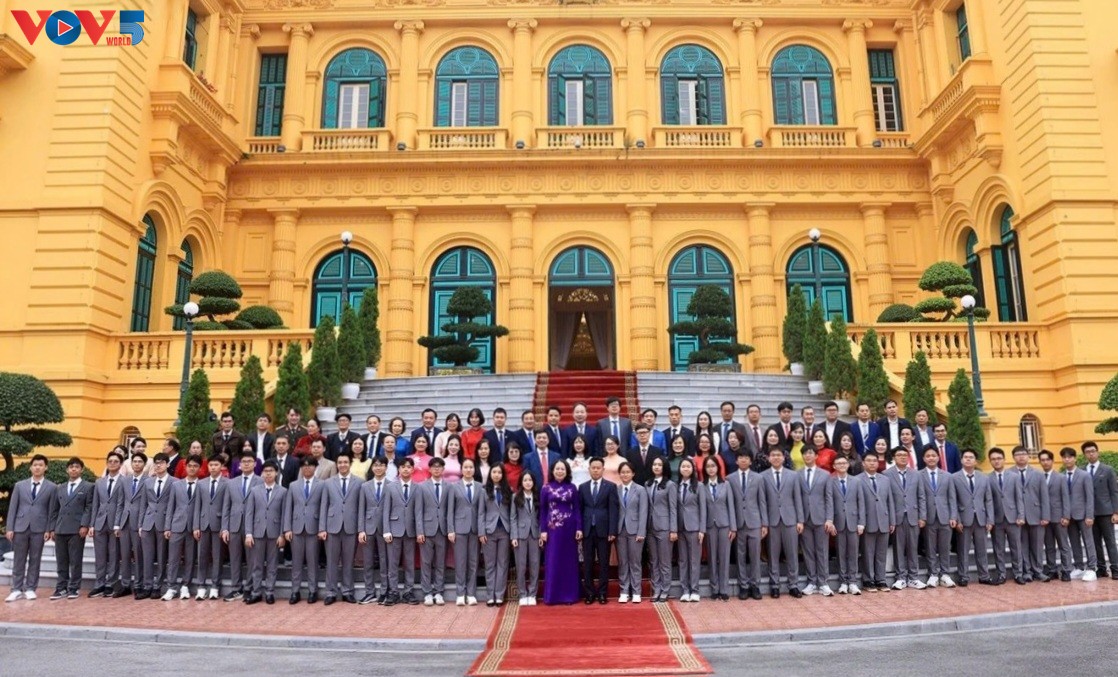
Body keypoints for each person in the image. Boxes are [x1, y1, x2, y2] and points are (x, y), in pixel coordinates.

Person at [4, 454, 57, 603]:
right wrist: (10, 527)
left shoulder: (52, 487)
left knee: (35, 558)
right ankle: (16, 589)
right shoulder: (20, 485)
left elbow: (51, 510)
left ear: (45, 467)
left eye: (40, 465)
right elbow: (13, 507)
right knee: (18, 559)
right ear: (30, 467)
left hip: (39, 528)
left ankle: (30, 588)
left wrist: (48, 529)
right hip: (20, 527)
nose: (37, 467)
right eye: (35, 465)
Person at [761, 447, 803, 598]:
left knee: (792, 554)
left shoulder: (793, 475)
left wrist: (800, 520)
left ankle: (793, 585)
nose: (776, 457)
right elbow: (762, 502)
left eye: (779, 455)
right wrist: (764, 523)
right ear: (768, 458)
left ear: (784, 458)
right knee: (773, 555)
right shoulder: (763, 476)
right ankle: (775, 585)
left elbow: (798, 498)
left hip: (790, 520)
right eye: (773, 455)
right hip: (772, 521)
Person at [321, 451, 363, 605]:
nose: (343, 465)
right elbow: (324, 506)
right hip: (332, 526)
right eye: (340, 462)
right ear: (336, 465)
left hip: (351, 526)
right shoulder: (328, 483)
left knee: (348, 561)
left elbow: (361, 507)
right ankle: (330, 592)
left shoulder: (359, 483)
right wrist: (322, 528)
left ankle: (347, 591)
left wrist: (360, 528)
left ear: (350, 464)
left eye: (345, 462)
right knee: (331, 561)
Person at [243, 460, 287, 605]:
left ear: (276, 473)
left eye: (271, 471)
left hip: (274, 533)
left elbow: (284, 514)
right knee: (256, 564)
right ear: (262, 473)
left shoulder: (283, 491)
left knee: (272, 564)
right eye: (265, 471)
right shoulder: (254, 490)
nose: (268, 474)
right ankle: (256, 592)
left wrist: (282, 534)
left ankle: (269, 592)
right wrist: (248, 533)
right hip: (257, 532)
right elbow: (249, 513)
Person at [50, 457, 93, 600]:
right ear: (67, 470)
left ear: (82, 470)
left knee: (75, 560)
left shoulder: (88, 487)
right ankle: (61, 587)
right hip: (60, 528)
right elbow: (54, 509)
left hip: (76, 529)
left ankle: (74, 587)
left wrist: (84, 525)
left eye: (77, 467)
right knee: (61, 561)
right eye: (71, 467)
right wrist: (52, 528)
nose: (74, 469)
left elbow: (88, 507)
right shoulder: (60, 487)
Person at [221, 452, 262, 601]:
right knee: (235, 558)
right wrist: (225, 528)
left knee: (252, 559)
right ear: (239, 465)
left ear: (255, 464)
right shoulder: (231, 483)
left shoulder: (261, 481)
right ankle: (235, 588)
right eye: (244, 461)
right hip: (234, 525)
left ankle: (249, 588)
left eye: (249, 461)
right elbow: (226, 506)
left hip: (253, 526)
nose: (246, 464)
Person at [884, 448, 927, 590]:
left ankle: (913, 577)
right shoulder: (886, 475)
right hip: (896, 517)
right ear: (893, 457)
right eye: (899, 455)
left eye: (905, 455)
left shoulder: (916, 474)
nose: (902, 457)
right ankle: (900, 577)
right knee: (898, 548)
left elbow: (921, 496)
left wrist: (922, 516)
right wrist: (890, 519)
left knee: (913, 548)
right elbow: (886, 499)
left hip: (913, 516)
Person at [579, 457, 618, 604]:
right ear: (589, 469)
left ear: (603, 469)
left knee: (603, 563)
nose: (595, 470)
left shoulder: (610, 487)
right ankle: (589, 593)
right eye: (593, 468)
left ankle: (602, 593)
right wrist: (579, 529)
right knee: (587, 563)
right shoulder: (582, 487)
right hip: (587, 530)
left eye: (598, 468)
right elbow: (580, 510)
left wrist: (612, 531)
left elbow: (613, 510)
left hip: (604, 531)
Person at [161, 454, 200, 601]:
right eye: (190, 466)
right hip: (176, 525)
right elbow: (170, 507)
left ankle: (185, 586)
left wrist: (197, 526)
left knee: (190, 558)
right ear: (185, 466)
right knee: (173, 558)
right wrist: (167, 527)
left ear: (199, 468)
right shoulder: (176, 485)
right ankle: (171, 587)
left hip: (193, 528)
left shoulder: (202, 486)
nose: (192, 468)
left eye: (195, 466)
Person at [953, 449, 995, 586]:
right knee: (963, 550)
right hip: (963, 519)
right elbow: (953, 500)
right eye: (965, 457)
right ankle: (963, 576)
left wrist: (990, 519)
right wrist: (957, 519)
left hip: (981, 519)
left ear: (975, 461)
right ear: (961, 460)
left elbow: (988, 500)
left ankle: (984, 575)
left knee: (982, 549)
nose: (968, 459)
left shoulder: (984, 478)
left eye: (971, 457)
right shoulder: (954, 478)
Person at [382, 457, 419, 606]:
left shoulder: (417, 488)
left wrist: (419, 531)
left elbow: (418, 511)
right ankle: (393, 592)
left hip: (410, 530)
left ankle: (408, 591)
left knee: (409, 563)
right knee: (393, 563)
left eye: (408, 467)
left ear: (413, 469)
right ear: (399, 469)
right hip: (394, 529)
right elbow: (386, 510)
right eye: (403, 467)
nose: (406, 469)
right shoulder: (391, 487)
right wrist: (386, 530)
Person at [138, 453, 175, 600]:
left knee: (161, 556)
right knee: (147, 556)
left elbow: (173, 505)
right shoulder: (148, 482)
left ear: (168, 464)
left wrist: (169, 526)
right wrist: (140, 524)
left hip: (164, 522)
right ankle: (147, 586)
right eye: (156, 463)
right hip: (148, 522)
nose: (158, 465)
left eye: (161, 463)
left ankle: (157, 586)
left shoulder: (174, 482)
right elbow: (143, 504)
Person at [728, 450, 764, 601]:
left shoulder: (758, 478)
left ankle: (755, 585)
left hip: (755, 522)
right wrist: (732, 525)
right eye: (740, 457)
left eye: (746, 457)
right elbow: (730, 503)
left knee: (755, 555)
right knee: (740, 555)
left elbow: (762, 501)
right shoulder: (729, 479)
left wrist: (764, 523)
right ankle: (743, 585)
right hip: (738, 523)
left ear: (750, 461)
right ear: (736, 461)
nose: (743, 460)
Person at [89, 450, 125, 598]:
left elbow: (122, 504)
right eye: (110, 461)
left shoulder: (124, 481)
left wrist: (118, 524)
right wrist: (92, 525)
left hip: (115, 524)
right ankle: (99, 584)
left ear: (121, 464)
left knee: (114, 555)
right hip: (100, 522)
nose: (112, 464)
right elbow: (95, 504)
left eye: (116, 461)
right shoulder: (99, 482)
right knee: (100, 555)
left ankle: (111, 583)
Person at [826, 455, 864, 595]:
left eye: (844, 463)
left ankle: (852, 582)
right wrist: (830, 521)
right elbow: (829, 502)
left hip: (854, 522)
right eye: (838, 463)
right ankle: (843, 582)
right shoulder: (830, 482)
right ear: (834, 466)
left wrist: (861, 522)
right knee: (841, 554)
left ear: (848, 465)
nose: (842, 465)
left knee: (853, 553)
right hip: (838, 522)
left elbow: (861, 502)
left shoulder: (856, 481)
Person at [1013, 445, 1052, 582]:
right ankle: (1026, 571)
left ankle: (1038, 571)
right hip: (1017, 516)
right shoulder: (1009, 473)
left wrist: (1045, 516)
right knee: (1022, 545)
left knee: (1037, 545)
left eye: (1023, 454)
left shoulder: (1038, 474)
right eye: (1018, 454)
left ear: (1028, 456)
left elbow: (1044, 496)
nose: (1021, 457)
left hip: (1036, 514)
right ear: (1013, 457)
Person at [447, 457, 482, 606]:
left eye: (471, 467)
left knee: (473, 562)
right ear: (461, 470)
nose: (468, 470)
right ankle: (460, 593)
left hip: (475, 529)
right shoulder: (454, 487)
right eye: (465, 467)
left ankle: (471, 593)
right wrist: (451, 529)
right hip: (459, 528)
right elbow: (450, 510)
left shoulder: (480, 487)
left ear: (474, 469)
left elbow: (481, 511)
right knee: (460, 562)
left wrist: (481, 531)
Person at [414, 456, 449, 606]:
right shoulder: (422, 487)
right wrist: (419, 531)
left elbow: (450, 510)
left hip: (442, 529)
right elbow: (418, 511)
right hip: (426, 530)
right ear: (429, 469)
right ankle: (427, 592)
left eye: (439, 467)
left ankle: (439, 592)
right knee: (426, 562)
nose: (436, 469)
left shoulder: (449, 487)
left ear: (443, 469)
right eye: (434, 466)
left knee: (440, 563)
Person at [922, 447, 958, 588]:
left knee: (945, 547)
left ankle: (945, 574)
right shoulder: (919, 475)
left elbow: (952, 498)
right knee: (930, 547)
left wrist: (953, 516)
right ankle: (933, 574)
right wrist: (922, 516)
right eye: (928, 456)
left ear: (938, 458)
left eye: (933, 455)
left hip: (945, 516)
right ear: (924, 459)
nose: (931, 458)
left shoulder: (948, 476)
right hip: (928, 517)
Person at [860, 451, 896, 592]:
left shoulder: (885, 479)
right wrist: (860, 522)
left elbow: (890, 501)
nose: (872, 463)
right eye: (869, 460)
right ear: (863, 463)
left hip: (884, 521)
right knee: (868, 553)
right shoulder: (857, 480)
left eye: (874, 461)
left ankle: (881, 579)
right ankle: (868, 580)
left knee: (881, 553)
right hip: (868, 521)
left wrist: (892, 520)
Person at [799, 446, 833, 596]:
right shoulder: (797, 475)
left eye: (810, 453)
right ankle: (811, 582)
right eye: (805, 453)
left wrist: (829, 518)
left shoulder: (825, 475)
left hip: (821, 518)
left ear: (816, 456)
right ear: (802, 456)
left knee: (822, 551)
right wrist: (799, 519)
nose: (808, 455)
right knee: (808, 552)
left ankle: (823, 582)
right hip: (804, 519)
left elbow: (829, 497)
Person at [193, 455, 228, 600]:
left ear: (222, 466)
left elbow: (226, 506)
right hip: (203, 524)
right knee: (202, 556)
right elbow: (197, 506)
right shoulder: (201, 483)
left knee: (217, 557)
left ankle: (215, 586)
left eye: (216, 465)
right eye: (211, 465)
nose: (213, 467)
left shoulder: (227, 483)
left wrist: (225, 527)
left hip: (218, 524)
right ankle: (201, 586)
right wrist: (196, 526)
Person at [112, 453, 147, 598]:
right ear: (131, 464)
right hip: (124, 522)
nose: (137, 464)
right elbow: (120, 503)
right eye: (134, 461)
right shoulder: (124, 480)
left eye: (140, 461)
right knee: (125, 554)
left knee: (138, 555)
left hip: (139, 522)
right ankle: (125, 584)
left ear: (144, 464)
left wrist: (142, 524)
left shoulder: (148, 481)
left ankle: (138, 584)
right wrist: (117, 524)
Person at [989, 446, 1024, 584]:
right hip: (997, 519)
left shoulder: (1014, 477)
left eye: (999, 458)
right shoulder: (988, 478)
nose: (996, 461)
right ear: (990, 461)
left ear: (1004, 459)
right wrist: (989, 519)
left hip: (1013, 517)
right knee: (999, 548)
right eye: (993, 459)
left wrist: (1021, 515)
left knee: (1016, 547)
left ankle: (1018, 574)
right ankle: (1001, 574)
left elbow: (1019, 497)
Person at [1061, 447, 1098, 581]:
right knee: (1074, 542)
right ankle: (1078, 567)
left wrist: (1090, 515)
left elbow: (1090, 496)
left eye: (1070, 457)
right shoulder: (1061, 476)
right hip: (1069, 516)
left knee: (1088, 542)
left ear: (1075, 458)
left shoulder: (1084, 475)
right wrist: (1065, 515)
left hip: (1083, 515)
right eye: (1064, 457)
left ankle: (1092, 568)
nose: (1067, 460)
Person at [357, 456, 390, 605]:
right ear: (372, 468)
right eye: (376, 465)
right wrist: (361, 530)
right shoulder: (365, 486)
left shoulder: (391, 485)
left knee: (384, 560)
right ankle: (369, 592)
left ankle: (384, 591)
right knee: (368, 561)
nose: (378, 468)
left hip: (385, 527)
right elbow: (361, 509)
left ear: (386, 467)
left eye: (381, 465)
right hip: (368, 527)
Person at [478, 463, 512, 607]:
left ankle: (499, 595)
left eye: (499, 472)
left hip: (504, 531)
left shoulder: (508, 491)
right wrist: (481, 532)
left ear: (503, 475)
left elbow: (511, 513)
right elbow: (481, 513)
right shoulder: (484, 491)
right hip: (489, 531)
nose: (496, 475)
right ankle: (490, 596)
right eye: (494, 472)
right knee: (490, 564)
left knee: (502, 564)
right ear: (490, 474)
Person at [703, 455, 736, 601]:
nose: (711, 469)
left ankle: (724, 589)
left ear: (718, 467)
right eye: (708, 466)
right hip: (710, 525)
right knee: (712, 558)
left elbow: (731, 506)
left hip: (724, 525)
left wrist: (733, 527)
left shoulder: (726, 485)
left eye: (713, 466)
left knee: (724, 557)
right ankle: (714, 588)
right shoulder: (702, 486)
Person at [1083, 441, 1118, 579]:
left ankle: (1115, 568)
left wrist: (1116, 512)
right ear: (1084, 454)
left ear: (1097, 452)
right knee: (1095, 542)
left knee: (1110, 541)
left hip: (1106, 511)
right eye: (1087, 452)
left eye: (1093, 451)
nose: (1091, 454)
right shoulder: (1082, 470)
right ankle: (1101, 568)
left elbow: (1114, 492)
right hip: (1090, 513)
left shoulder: (1107, 470)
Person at [615, 461, 649, 603]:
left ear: (633, 473)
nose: (625, 474)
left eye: (628, 472)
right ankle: (624, 591)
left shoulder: (640, 490)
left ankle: (636, 591)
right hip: (620, 530)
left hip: (635, 530)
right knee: (623, 562)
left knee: (635, 562)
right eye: (623, 472)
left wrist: (641, 532)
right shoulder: (616, 489)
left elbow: (643, 512)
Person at [646, 457, 677, 604]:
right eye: (655, 464)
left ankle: (665, 590)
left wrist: (673, 529)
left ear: (664, 467)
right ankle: (656, 589)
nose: (657, 467)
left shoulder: (670, 485)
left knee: (664, 561)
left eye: (659, 464)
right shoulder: (648, 484)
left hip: (665, 526)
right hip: (650, 527)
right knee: (654, 561)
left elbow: (673, 508)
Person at [1039, 449, 1073, 581]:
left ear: (1052, 461)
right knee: (1049, 546)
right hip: (1045, 518)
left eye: (1047, 459)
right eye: (1042, 460)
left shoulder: (1060, 477)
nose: (1045, 462)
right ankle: (1052, 570)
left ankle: (1066, 570)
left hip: (1059, 517)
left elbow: (1066, 498)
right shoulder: (1038, 477)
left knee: (1063, 545)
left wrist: (1066, 516)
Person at [676, 457, 706, 603]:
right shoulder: (675, 486)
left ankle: (695, 590)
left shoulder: (699, 486)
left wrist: (702, 529)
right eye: (683, 466)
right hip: (680, 528)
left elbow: (703, 508)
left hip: (694, 527)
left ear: (693, 469)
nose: (686, 469)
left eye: (688, 466)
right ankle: (685, 590)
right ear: (680, 469)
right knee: (683, 560)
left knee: (694, 560)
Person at [511, 472, 541, 606]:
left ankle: (532, 594)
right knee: (521, 565)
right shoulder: (515, 497)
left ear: (533, 482)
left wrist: (540, 534)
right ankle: (522, 594)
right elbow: (513, 518)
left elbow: (541, 517)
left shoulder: (538, 497)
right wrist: (514, 536)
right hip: (520, 535)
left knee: (535, 565)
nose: (528, 482)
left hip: (535, 534)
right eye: (525, 480)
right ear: (521, 483)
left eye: (530, 480)